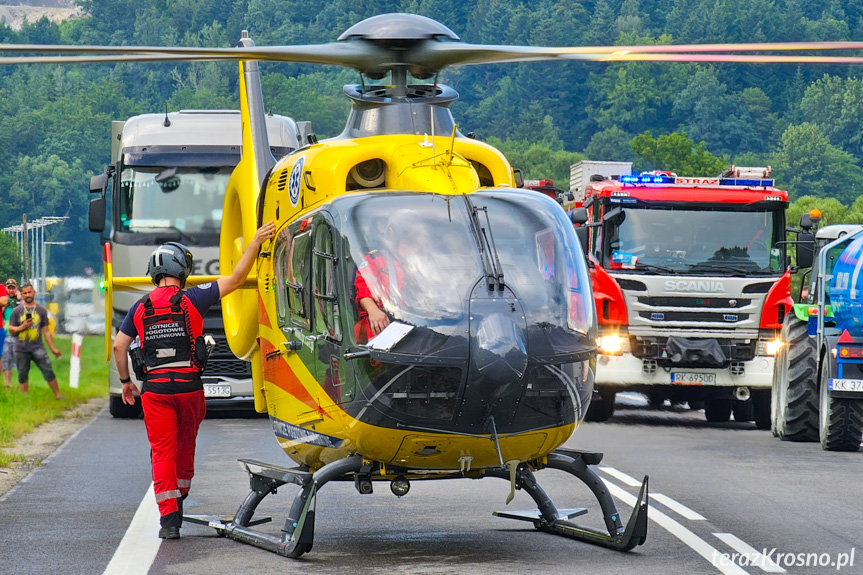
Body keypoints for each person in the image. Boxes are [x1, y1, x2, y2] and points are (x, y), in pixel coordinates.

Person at [112, 221, 275, 540]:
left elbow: (119, 346)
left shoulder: (139, 307)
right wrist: (255, 241)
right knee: (185, 447)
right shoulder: (195, 298)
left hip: (156, 390)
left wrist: (126, 382)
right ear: (183, 269)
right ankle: (181, 495)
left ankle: (170, 520)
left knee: (162, 451)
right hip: (189, 387)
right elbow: (239, 278)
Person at [353, 214, 424, 343]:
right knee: (376, 324)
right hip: (383, 322)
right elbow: (364, 290)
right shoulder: (375, 259)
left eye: (417, 243)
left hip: (412, 322)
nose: (416, 248)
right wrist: (373, 311)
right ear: (394, 240)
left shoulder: (420, 266)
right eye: (410, 242)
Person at [7, 283, 63, 399]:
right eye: (25, 293)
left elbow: (46, 331)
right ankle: (24, 397)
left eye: (29, 292)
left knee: (48, 370)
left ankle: (58, 395)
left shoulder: (41, 311)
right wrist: (22, 327)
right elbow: (11, 329)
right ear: (21, 294)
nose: (27, 295)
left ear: (34, 292)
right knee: (22, 374)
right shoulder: (17, 311)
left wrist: (53, 348)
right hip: (21, 348)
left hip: (37, 347)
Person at [3, 279, 20, 388]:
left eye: (13, 287)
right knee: (6, 360)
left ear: (16, 288)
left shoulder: (20, 300)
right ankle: (7, 384)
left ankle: (21, 383)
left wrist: (19, 297)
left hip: (18, 334)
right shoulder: (4, 300)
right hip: (6, 333)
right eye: (9, 288)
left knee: (19, 360)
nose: (11, 290)